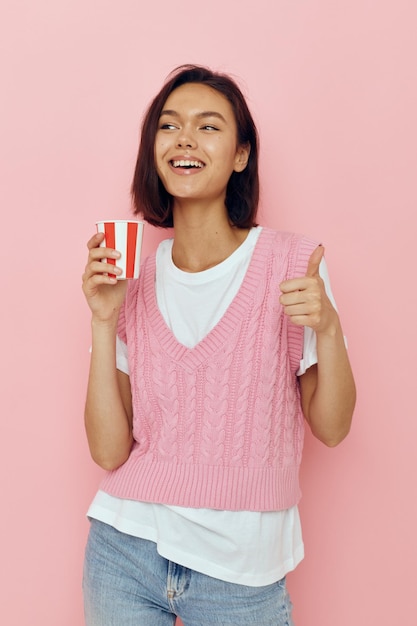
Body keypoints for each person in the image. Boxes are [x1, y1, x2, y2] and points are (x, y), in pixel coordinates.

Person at [81, 64, 356, 626]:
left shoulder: (293, 264)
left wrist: (328, 330)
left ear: (240, 155)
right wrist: (104, 320)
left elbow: (331, 427)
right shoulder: (133, 279)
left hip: (242, 574)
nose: (184, 138)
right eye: (169, 125)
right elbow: (109, 453)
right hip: (123, 551)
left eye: (208, 126)